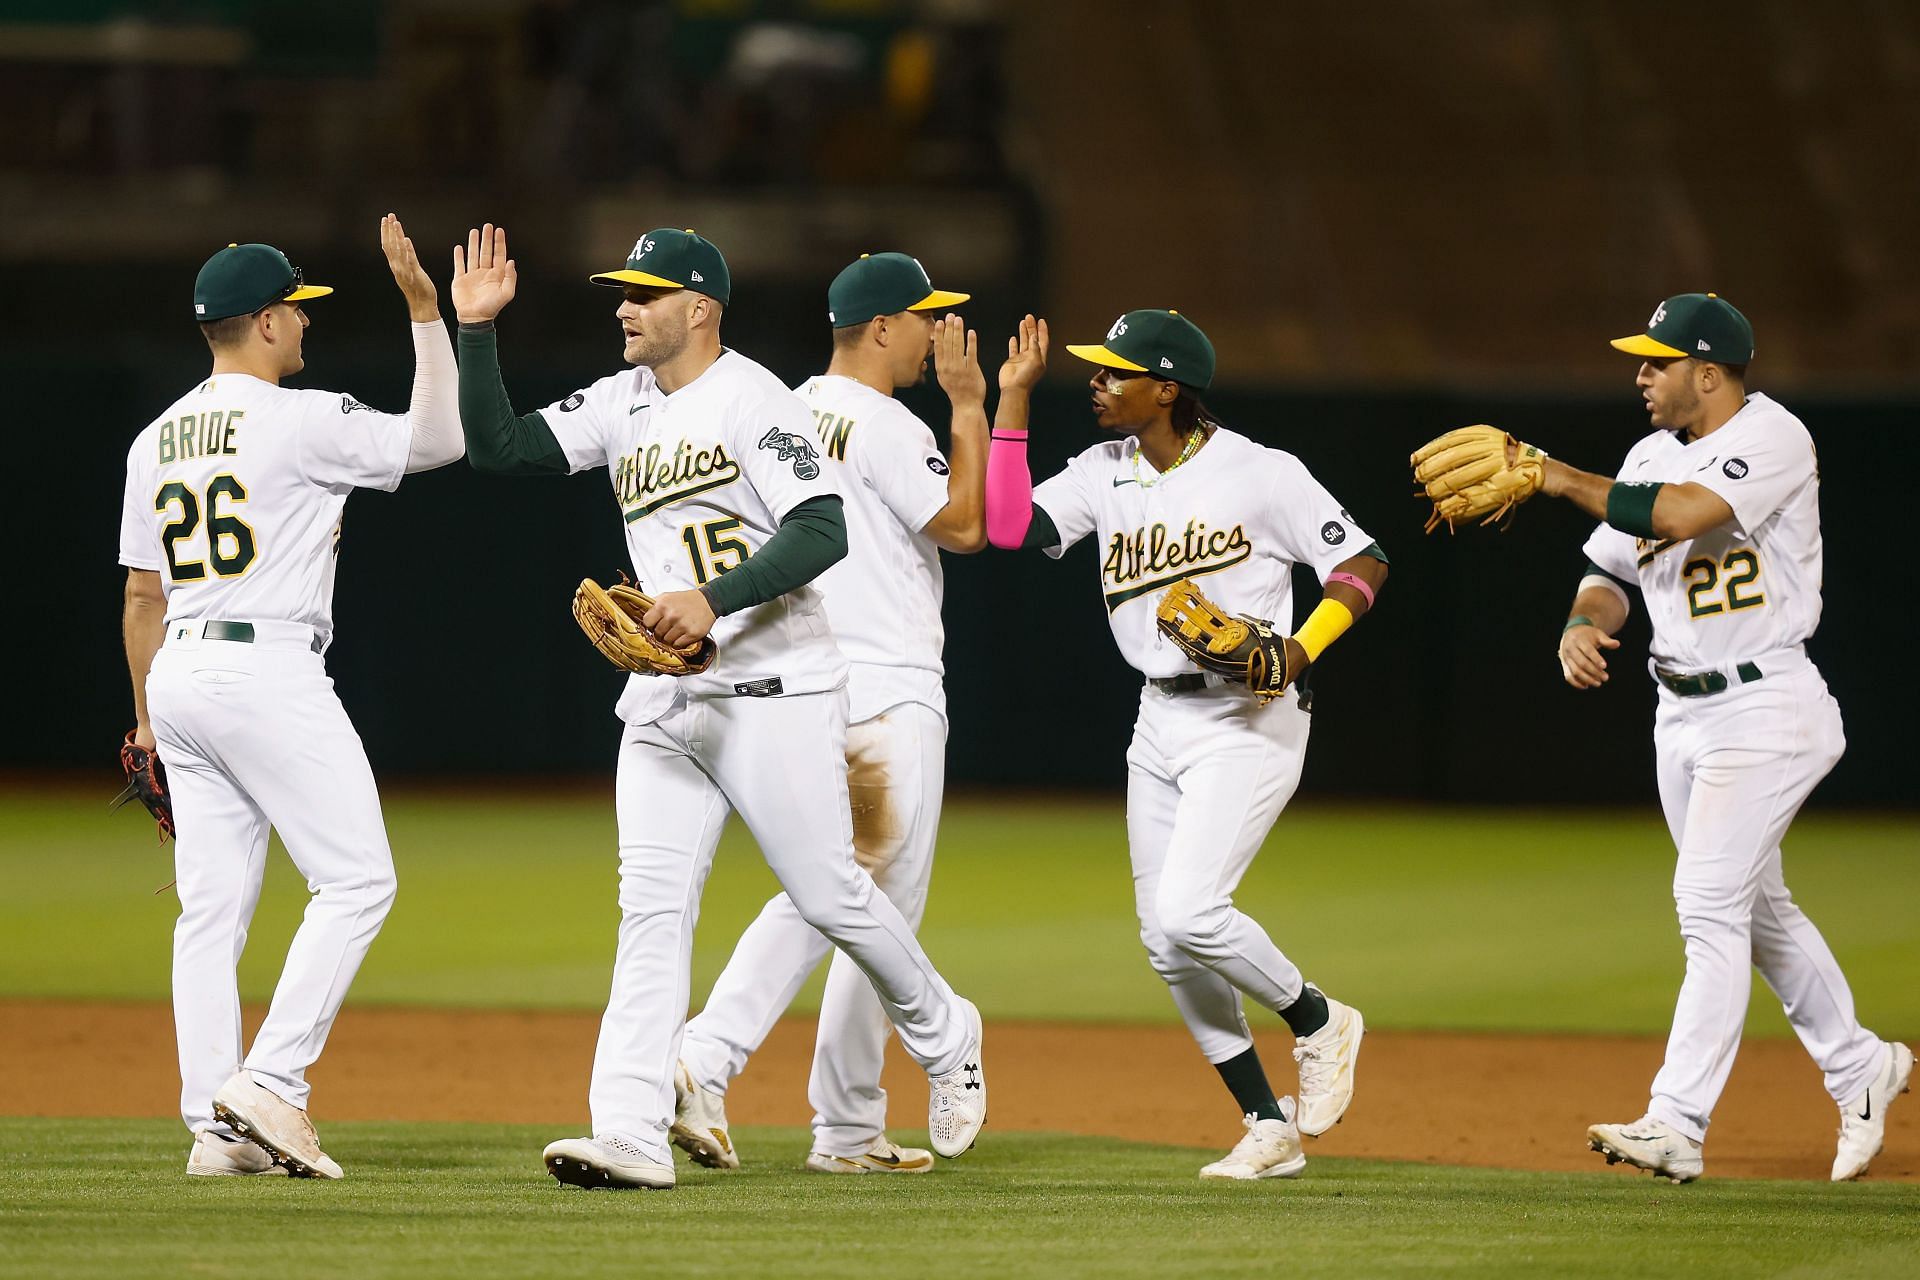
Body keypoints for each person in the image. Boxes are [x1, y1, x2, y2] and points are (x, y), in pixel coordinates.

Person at [448, 225, 986, 1191]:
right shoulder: (621, 401)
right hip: (665, 698)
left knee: (829, 892)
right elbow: (501, 451)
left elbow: (823, 532)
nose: (624, 306)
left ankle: (946, 1031)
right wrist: (477, 333)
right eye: (622, 291)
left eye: (645, 294)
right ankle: (630, 1130)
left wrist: (712, 596)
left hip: (776, 689)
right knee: (649, 911)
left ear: (699, 308)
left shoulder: (757, 402)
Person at [983, 310, 1384, 1180]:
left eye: (1113, 372)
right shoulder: (1102, 472)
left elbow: (1363, 563)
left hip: (1248, 717)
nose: (1095, 382)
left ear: (1167, 388)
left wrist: (1299, 646)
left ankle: (1319, 1020)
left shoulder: (1260, 472)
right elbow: (1008, 526)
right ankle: (1266, 1125)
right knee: (1166, 941)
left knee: (1192, 910)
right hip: (1156, 717)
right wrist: (1010, 399)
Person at [117, 218, 464, 1178]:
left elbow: (142, 596)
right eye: (297, 312)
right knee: (358, 880)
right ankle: (270, 1084)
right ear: (264, 323)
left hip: (180, 669)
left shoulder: (155, 440)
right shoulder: (303, 418)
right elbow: (439, 440)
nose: (305, 328)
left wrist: (148, 716)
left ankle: (213, 1132)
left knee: (210, 912)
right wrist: (427, 315)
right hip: (265, 665)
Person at [1540, 293, 1911, 1183]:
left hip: (1766, 704)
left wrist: (1553, 474)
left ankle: (1677, 1119)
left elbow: (1677, 515)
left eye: (1656, 361)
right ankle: (1863, 1065)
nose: (1639, 374)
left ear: (1708, 373)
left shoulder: (1773, 436)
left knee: (1706, 901)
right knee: (1757, 908)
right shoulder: (1646, 454)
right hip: (1682, 712)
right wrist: (1581, 624)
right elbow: (1608, 572)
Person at [671, 252, 986, 1176]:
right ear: (883, 329)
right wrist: (970, 408)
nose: (935, 334)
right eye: (924, 318)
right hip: (884, 687)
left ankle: (847, 1128)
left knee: (858, 898)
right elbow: (965, 527)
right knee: (841, 896)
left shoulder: (781, 403)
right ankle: (706, 1055)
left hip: (801, 675)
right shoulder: (884, 420)